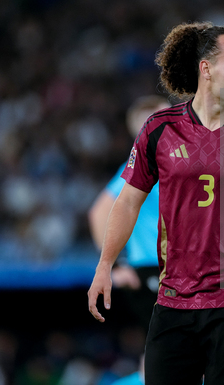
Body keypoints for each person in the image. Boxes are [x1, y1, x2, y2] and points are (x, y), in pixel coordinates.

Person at [87, 22, 224, 385]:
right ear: (206, 68)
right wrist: (106, 264)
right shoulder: (159, 129)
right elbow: (126, 203)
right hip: (173, 300)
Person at [88, 96, 169, 385]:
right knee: (164, 341)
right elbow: (99, 211)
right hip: (148, 267)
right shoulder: (140, 163)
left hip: (165, 267)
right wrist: (115, 263)